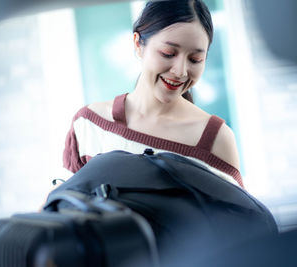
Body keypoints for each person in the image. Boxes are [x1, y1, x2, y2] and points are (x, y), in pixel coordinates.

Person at [63, 0, 244, 188]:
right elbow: (62, 205)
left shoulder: (214, 138)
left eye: (195, 59)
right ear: (138, 44)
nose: (181, 71)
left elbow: (237, 216)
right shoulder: (90, 124)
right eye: (168, 53)